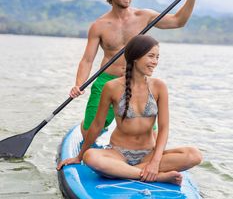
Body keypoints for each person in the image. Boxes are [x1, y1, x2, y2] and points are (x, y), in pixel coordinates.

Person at [70, 0, 205, 138]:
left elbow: (178, 21)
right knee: (89, 132)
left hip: (136, 81)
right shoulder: (98, 26)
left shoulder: (144, 16)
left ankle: (145, 157)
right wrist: (78, 84)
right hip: (106, 81)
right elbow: (87, 59)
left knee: (150, 134)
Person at [57, 35, 202, 185]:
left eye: (157, 57)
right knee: (91, 157)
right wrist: (80, 156)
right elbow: (97, 124)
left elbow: (164, 128)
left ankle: (122, 172)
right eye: (151, 56)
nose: (155, 62)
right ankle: (154, 176)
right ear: (135, 57)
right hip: (118, 154)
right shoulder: (111, 87)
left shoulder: (159, 86)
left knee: (194, 155)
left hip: (149, 154)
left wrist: (155, 161)